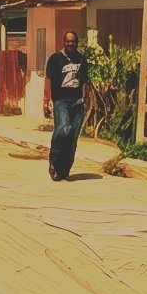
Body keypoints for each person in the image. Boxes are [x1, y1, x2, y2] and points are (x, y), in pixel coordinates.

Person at [43, 30, 89, 181]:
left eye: (74, 41)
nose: (71, 44)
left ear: (77, 43)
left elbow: (84, 82)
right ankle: (53, 161)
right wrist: (45, 100)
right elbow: (48, 79)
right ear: (63, 42)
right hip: (61, 101)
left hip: (77, 102)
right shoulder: (55, 59)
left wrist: (86, 99)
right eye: (68, 41)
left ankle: (63, 170)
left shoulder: (81, 59)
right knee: (64, 128)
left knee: (72, 139)